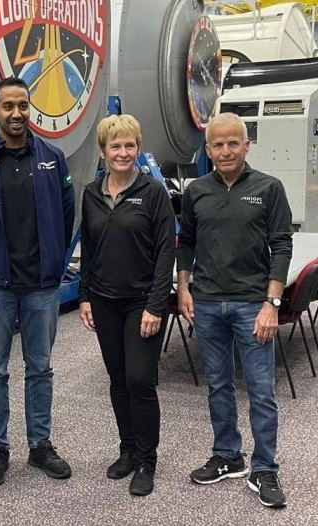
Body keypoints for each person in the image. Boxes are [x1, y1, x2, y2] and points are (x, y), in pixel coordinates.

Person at [0, 76, 75, 486]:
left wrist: (55, 262)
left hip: (41, 284)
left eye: (23, 105)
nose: (17, 113)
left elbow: (66, 213)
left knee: (40, 368)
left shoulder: (53, 158)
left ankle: (40, 446)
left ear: (30, 107)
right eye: (8, 106)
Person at [177, 112, 293, 508]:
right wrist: (184, 287)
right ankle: (228, 455)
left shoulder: (269, 188)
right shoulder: (196, 191)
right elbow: (187, 242)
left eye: (233, 143)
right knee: (219, 386)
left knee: (261, 391)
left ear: (246, 145)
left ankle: (265, 468)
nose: (225, 150)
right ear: (207, 149)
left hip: (251, 305)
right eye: (217, 144)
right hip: (208, 304)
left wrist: (271, 303)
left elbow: (282, 245)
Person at [78, 114, 175, 496]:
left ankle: (147, 461)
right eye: (115, 146)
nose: (123, 152)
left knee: (139, 379)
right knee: (117, 379)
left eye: (129, 145)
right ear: (103, 151)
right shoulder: (91, 192)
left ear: (137, 147)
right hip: (104, 300)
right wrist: (84, 296)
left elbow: (166, 251)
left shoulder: (153, 193)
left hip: (143, 303)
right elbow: (89, 247)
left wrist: (155, 304)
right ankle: (128, 451)